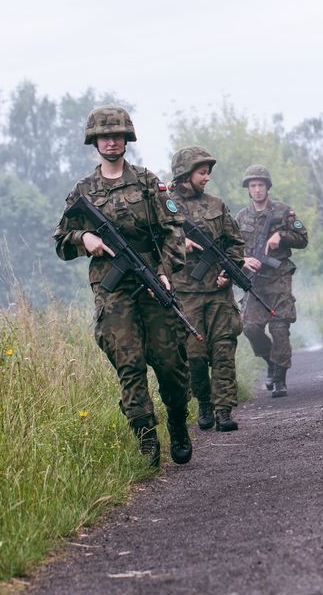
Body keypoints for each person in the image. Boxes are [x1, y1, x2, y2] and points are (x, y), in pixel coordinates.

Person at [53, 106, 193, 468]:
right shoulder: (83, 191)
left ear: (127, 139)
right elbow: (60, 242)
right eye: (104, 136)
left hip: (152, 285)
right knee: (129, 367)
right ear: (95, 142)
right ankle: (146, 439)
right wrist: (84, 237)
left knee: (170, 365)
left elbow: (174, 231)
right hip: (113, 293)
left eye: (117, 135)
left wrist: (164, 271)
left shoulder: (148, 183)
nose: (111, 141)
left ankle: (177, 423)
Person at [169, 146, 246, 432]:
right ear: (185, 174)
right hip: (185, 295)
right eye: (202, 172)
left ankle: (224, 410)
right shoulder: (164, 206)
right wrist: (180, 243)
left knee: (225, 350)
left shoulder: (217, 205)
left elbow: (235, 242)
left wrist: (230, 270)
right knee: (195, 357)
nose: (207, 178)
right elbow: (153, 243)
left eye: (208, 173)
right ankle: (204, 402)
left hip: (218, 293)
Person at [235, 165, 309, 397]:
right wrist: (244, 260)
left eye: (261, 185)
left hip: (278, 278)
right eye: (253, 186)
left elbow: (303, 238)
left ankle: (279, 379)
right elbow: (233, 247)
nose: (257, 190)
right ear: (248, 189)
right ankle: (270, 361)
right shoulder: (241, 217)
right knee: (250, 328)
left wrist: (282, 236)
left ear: (268, 187)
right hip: (254, 281)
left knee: (280, 328)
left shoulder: (283, 211)